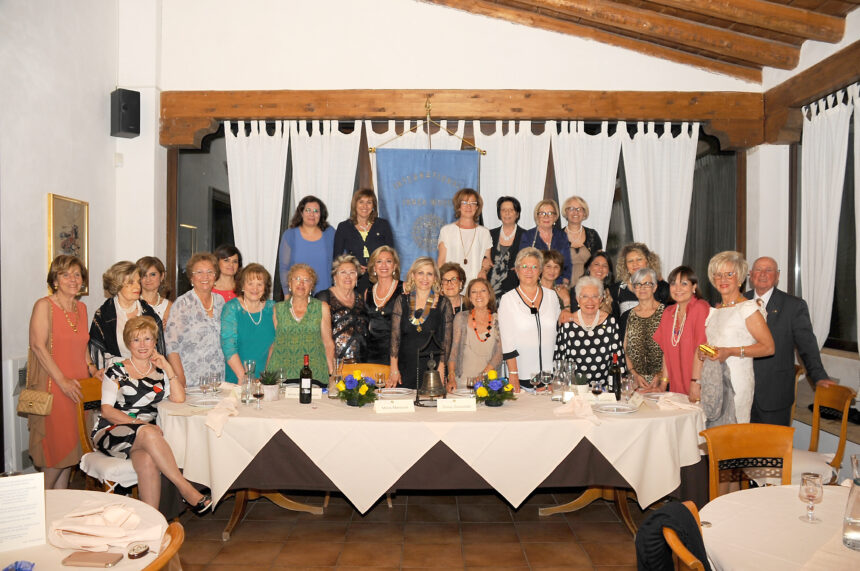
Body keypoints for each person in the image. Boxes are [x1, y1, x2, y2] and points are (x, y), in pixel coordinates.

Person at [92, 317, 211, 514]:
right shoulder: (115, 370)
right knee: (148, 432)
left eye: (147, 339)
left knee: (147, 459)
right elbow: (107, 410)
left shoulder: (159, 372)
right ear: (128, 343)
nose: (142, 345)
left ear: (155, 342)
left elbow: (179, 398)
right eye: (136, 339)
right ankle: (185, 488)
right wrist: (140, 424)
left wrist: (168, 367)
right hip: (112, 430)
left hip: (146, 438)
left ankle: (152, 522)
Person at [744, 256, 834, 425]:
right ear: (750, 274)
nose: (763, 274)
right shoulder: (739, 302)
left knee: (772, 442)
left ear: (777, 276)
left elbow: (806, 345)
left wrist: (819, 376)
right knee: (741, 441)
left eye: (769, 270)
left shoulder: (794, 306)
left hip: (775, 394)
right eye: (758, 269)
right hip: (741, 391)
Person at [27, 255, 90, 489]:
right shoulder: (44, 306)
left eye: (77, 274)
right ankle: (37, 504)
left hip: (78, 389)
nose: (73, 279)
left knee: (69, 457)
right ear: (55, 280)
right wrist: (62, 381)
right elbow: (37, 346)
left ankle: (59, 506)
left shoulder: (81, 308)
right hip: (55, 387)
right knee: (55, 455)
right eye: (65, 274)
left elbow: (82, 346)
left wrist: (93, 368)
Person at [699, 251, 775, 423]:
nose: (723, 279)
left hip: (737, 381)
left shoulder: (747, 308)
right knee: (713, 433)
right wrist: (704, 351)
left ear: (739, 278)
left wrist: (730, 351)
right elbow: (716, 344)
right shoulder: (715, 311)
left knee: (733, 432)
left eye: (729, 274)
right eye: (718, 275)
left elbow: (769, 347)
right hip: (713, 381)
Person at [498, 247, 561, 390]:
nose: (529, 271)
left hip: (549, 377)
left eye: (534, 267)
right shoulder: (508, 299)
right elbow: (507, 341)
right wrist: (513, 374)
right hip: (521, 377)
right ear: (517, 270)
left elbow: (559, 331)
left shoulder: (552, 296)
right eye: (524, 266)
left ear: (540, 271)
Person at [389, 257, 453, 390]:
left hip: (432, 369)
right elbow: (395, 338)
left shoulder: (443, 303)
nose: (425, 278)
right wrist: (394, 368)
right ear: (413, 275)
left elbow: (446, 341)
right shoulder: (402, 301)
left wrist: (441, 369)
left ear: (435, 278)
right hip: (405, 367)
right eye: (420, 273)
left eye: (429, 274)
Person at [89, 261, 165, 371]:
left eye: (138, 282)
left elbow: (160, 353)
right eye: (131, 282)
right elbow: (97, 356)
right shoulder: (104, 316)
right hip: (115, 374)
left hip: (148, 373)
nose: (137, 286)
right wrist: (125, 366)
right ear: (117, 285)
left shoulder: (149, 313)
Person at [165, 253, 225, 387]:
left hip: (218, 379)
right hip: (190, 380)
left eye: (210, 272)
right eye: (199, 272)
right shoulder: (183, 304)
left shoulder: (220, 301)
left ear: (215, 276)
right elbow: (171, 346)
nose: (205, 277)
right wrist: (180, 379)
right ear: (191, 277)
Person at [268, 264, 334, 382]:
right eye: (297, 279)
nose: (301, 283)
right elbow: (274, 344)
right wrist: (267, 377)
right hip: (281, 375)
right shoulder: (277, 309)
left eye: (306, 280)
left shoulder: (321, 307)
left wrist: (332, 374)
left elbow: (328, 343)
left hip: (314, 375)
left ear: (312, 286)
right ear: (290, 283)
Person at [555, 276, 626, 384]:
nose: (590, 301)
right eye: (585, 296)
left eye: (595, 296)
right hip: (574, 389)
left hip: (604, 389)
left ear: (601, 299)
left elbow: (618, 360)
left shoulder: (610, 323)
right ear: (577, 299)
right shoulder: (567, 324)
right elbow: (559, 362)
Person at [653, 266, 710, 397]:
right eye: (673, 284)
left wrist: (696, 382)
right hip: (675, 387)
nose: (677, 288)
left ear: (694, 287)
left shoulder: (700, 308)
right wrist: (663, 384)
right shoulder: (668, 313)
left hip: (699, 384)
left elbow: (702, 348)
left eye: (684, 283)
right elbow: (666, 353)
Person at [220, 264, 276, 384]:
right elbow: (228, 347)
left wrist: (266, 377)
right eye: (250, 283)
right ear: (242, 286)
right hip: (238, 378)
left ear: (265, 287)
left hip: (266, 379)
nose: (255, 288)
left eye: (259, 284)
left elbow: (276, 345)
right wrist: (245, 378)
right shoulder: (231, 308)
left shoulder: (273, 308)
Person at [447, 278, 502, 390]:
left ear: (489, 294)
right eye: (474, 292)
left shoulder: (499, 319)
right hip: (461, 385)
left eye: (483, 291)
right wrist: (451, 378)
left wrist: (482, 376)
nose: (478, 295)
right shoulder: (460, 318)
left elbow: (499, 354)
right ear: (470, 297)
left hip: (489, 386)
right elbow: (453, 352)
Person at [315, 255, 369, 363]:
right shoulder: (323, 297)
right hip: (331, 364)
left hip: (361, 364)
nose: (348, 276)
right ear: (335, 277)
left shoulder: (361, 299)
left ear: (357, 277)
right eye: (343, 272)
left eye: (352, 272)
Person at [279, 195, 335, 295]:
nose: (312, 214)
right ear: (301, 213)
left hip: (325, 295)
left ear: (321, 214)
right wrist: (287, 294)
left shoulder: (330, 233)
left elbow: (340, 262)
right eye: (308, 210)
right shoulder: (290, 235)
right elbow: (284, 268)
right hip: (298, 294)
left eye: (316, 211)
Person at [612, 242, 671, 335]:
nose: (635, 264)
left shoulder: (662, 287)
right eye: (630, 261)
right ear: (625, 265)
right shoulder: (616, 290)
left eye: (639, 259)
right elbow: (614, 322)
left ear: (648, 262)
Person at [333, 189, 394, 276]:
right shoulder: (344, 227)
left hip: (380, 274)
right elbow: (337, 258)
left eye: (369, 202)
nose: (365, 206)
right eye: (361, 202)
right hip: (353, 276)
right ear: (355, 205)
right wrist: (354, 266)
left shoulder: (383, 225)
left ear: (373, 206)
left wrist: (376, 267)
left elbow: (391, 253)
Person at [437, 188, 493, 283]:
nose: (468, 206)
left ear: (477, 207)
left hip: (475, 285)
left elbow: (487, 261)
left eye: (473, 203)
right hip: (452, 284)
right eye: (464, 203)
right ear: (458, 206)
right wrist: (444, 283)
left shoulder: (484, 233)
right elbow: (441, 262)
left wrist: (484, 271)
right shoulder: (446, 231)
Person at [623, 268, 665, 392]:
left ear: (655, 287)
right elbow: (623, 349)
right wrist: (634, 375)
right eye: (638, 284)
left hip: (663, 382)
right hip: (634, 383)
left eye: (647, 283)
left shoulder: (667, 312)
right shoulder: (626, 316)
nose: (642, 288)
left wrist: (661, 375)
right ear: (633, 288)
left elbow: (672, 349)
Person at [361, 246, 403, 365]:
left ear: (394, 266)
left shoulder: (404, 289)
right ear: (374, 267)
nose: (384, 265)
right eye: (379, 261)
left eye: (388, 261)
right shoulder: (368, 292)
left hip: (398, 355)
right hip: (371, 356)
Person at [519, 199, 572, 283]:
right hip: (534, 282)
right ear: (537, 216)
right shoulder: (528, 236)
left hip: (558, 283)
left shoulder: (562, 236)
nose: (546, 216)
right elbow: (523, 264)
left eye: (550, 213)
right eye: (542, 213)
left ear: (555, 217)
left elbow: (567, 264)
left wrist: (564, 284)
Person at [486, 196, 525, 297]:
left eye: (511, 210)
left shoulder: (526, 236)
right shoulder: (489, 234)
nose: (507, 213)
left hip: (516, 290)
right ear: (499, 213)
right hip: (490, 290)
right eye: (503, 210)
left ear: (517, 214)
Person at [561, 196, 603, 283]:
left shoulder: (593, 235)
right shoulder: (557, 236)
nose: (575, 212)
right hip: (563, 285)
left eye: (579, 209)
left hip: (590, 285)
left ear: (584, 213)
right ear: (566, 212)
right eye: (571, 208)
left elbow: (600, 263)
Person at [569, 251, 615, 316]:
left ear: (608, 271)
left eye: (604, 266)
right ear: (589, 267)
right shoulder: (577, 290)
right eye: (597, 264)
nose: (600, 268)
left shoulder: (613, 292)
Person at [136, 256, 172, 322]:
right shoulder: (133, 303)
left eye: (153, 274)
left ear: (162, 276)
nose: (148, 279)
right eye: (144, 275)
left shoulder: (169, 306)